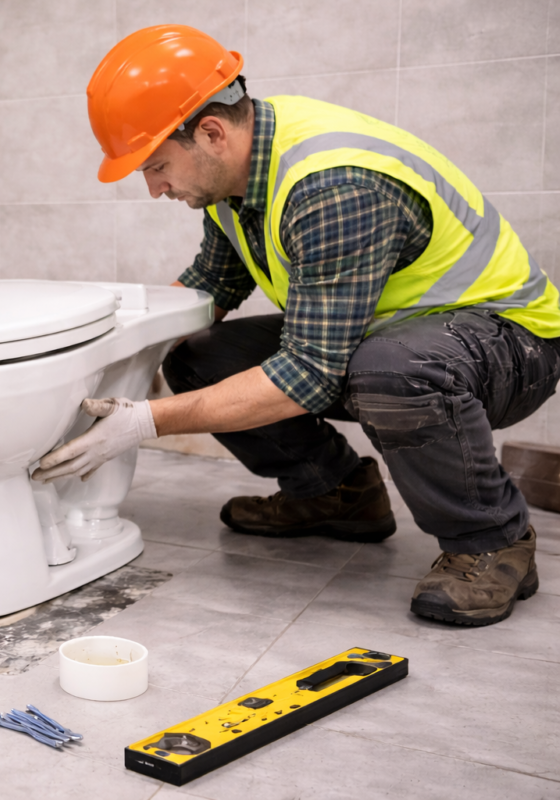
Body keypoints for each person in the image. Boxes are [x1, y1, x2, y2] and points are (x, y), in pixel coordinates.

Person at [34, 24, 558, 627]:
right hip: (391, 338)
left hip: (510, 344)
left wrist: (143, 423)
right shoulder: (238, 176)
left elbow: (307, 374)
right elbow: (208, 288)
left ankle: (490, 540)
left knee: (388, 371)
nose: (154, 189)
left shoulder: (332, 186)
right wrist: (123, 361)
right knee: (199, 356)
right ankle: (334, 494)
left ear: (210, 132)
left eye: (156, 167)